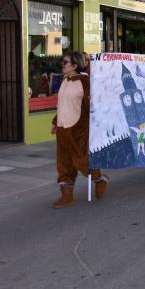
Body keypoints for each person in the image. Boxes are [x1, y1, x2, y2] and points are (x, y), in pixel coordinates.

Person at [51, 51, 108, 208]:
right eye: (63, 62)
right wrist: (56, 122)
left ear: (75, 65)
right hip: (63, 128)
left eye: (65, 62)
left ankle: (99, 180)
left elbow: (92, 106)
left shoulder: (85, 81)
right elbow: (62, 105)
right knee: (64, 163)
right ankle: (66, 196)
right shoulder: (65, 81)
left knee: (82, 160)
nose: (62, 65)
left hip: (78, 129)